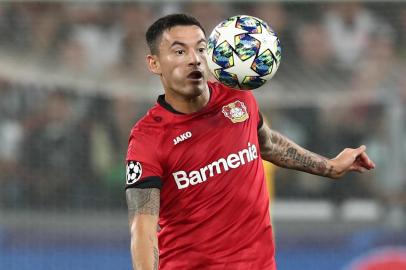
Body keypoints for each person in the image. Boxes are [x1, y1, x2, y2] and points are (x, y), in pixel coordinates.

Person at [125, 14, 375, 270]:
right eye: (179, 51)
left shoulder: (238, 100)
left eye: (201, 48)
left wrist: (330, 167)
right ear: (154, 63)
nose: (194, 59)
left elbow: (268, 143)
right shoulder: (148, 139)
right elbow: (142, 226)